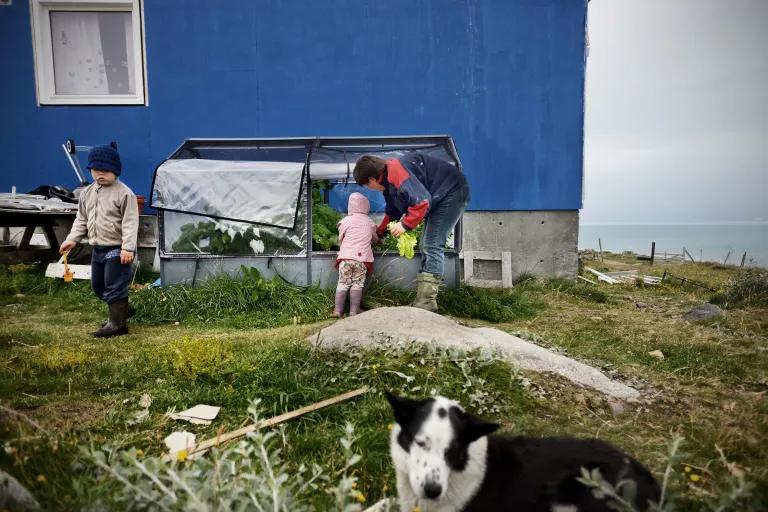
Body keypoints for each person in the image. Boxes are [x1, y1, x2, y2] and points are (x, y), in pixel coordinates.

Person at [353, 152, 469, 312]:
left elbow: (421, 202)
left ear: (372, 179)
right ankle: (424, 301)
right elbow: (392, 212)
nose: (369, 188)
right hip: (440, 194)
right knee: (427, 243)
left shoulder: (396, 171)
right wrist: (379, 235)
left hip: (452, 192)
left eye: (367, 185)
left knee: (432, 244)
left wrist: (404, 225)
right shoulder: (389, 182)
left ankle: (426, 303)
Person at [59, 144, 139, 337]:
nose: (100, 175)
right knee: (98, 286)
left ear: (115, 171)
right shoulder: (87, 193)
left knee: (114, 284)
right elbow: (82, 219)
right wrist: (72, 239)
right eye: (96, 170)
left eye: (105, 171)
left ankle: (117, 325)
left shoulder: (124, 193)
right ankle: (122, 310)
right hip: (98, 248)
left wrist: (128, 248)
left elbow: (130, 222)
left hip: (118, 249)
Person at [334, 192, 378, 317]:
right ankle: (354, 311)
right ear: (366, 207)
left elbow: (341, 237)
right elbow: (374, 238)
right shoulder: (370, 222)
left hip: (346, 258)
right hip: (361, 259)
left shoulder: (345, 221)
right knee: (357, 284)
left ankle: (337, 311)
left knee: (342, 283)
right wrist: (376, 241)